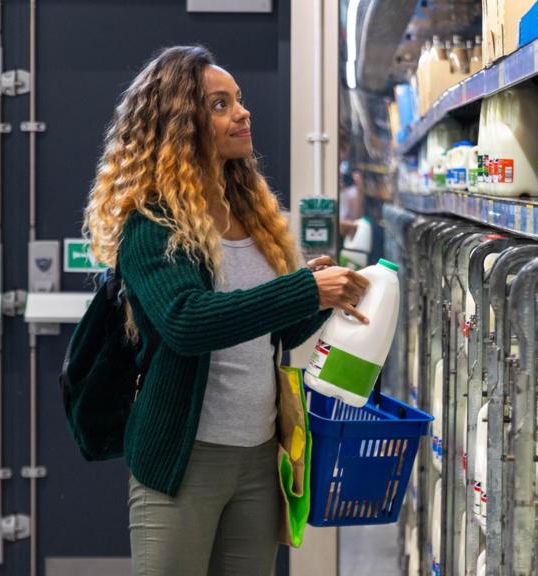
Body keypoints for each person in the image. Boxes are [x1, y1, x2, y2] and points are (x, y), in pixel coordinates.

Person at [83, 45, 368, 576]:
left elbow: (267, 328)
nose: (242, 112)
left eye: (238, 99)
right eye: (220, 104)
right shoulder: (152, 224)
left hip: (260, 457)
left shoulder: (249, 214)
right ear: (180, 124)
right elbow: (187, 321)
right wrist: (303, 292)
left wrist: (321, 295)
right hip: (183, 461)